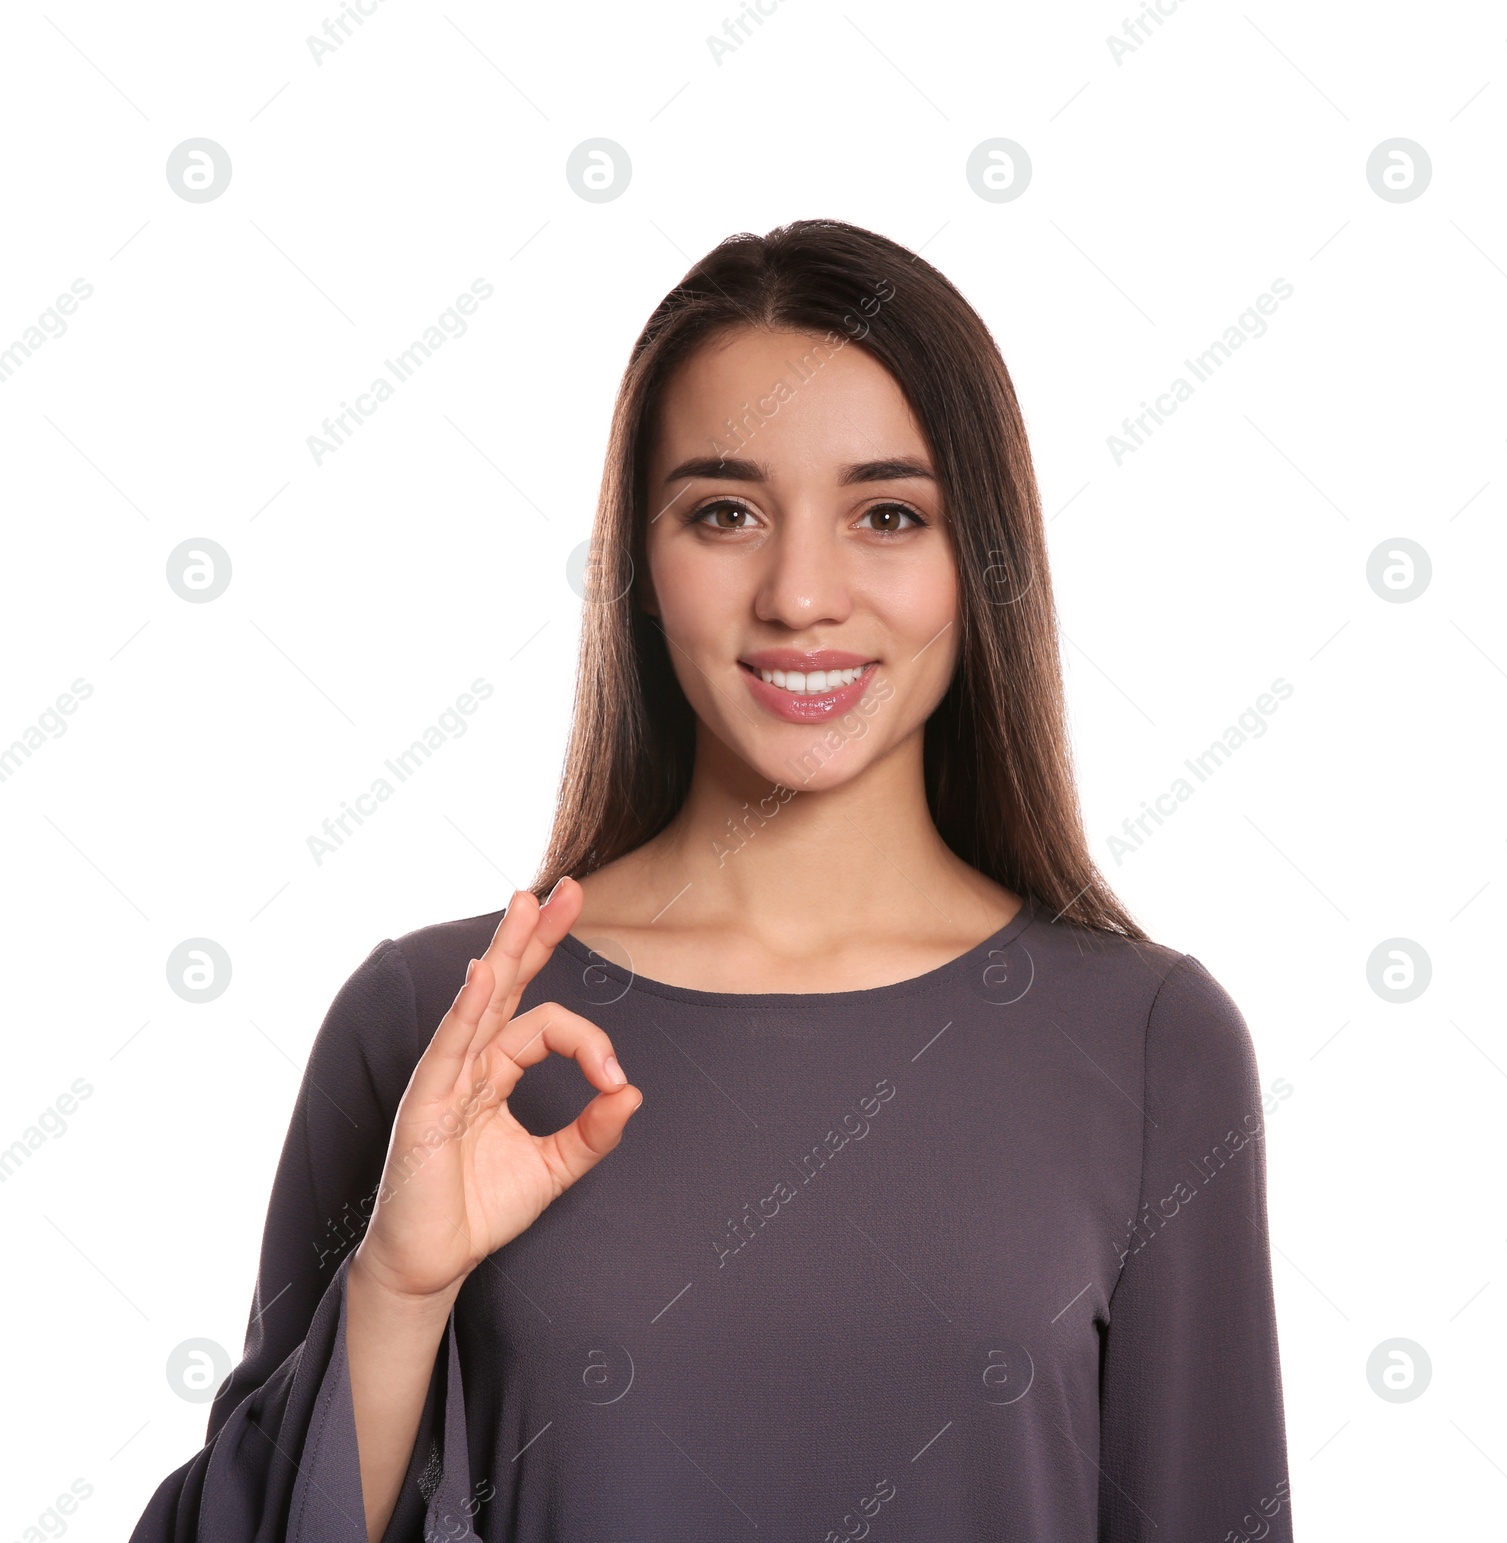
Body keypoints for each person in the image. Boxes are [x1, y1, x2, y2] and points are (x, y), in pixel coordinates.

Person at [130, 219, 1293, 1542]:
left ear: (985, 568)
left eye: (889, 514)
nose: (801, 594)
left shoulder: (1153, 1049)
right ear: (639, 564)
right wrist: (396, 1291)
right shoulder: (434, 1024)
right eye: (725, 513)